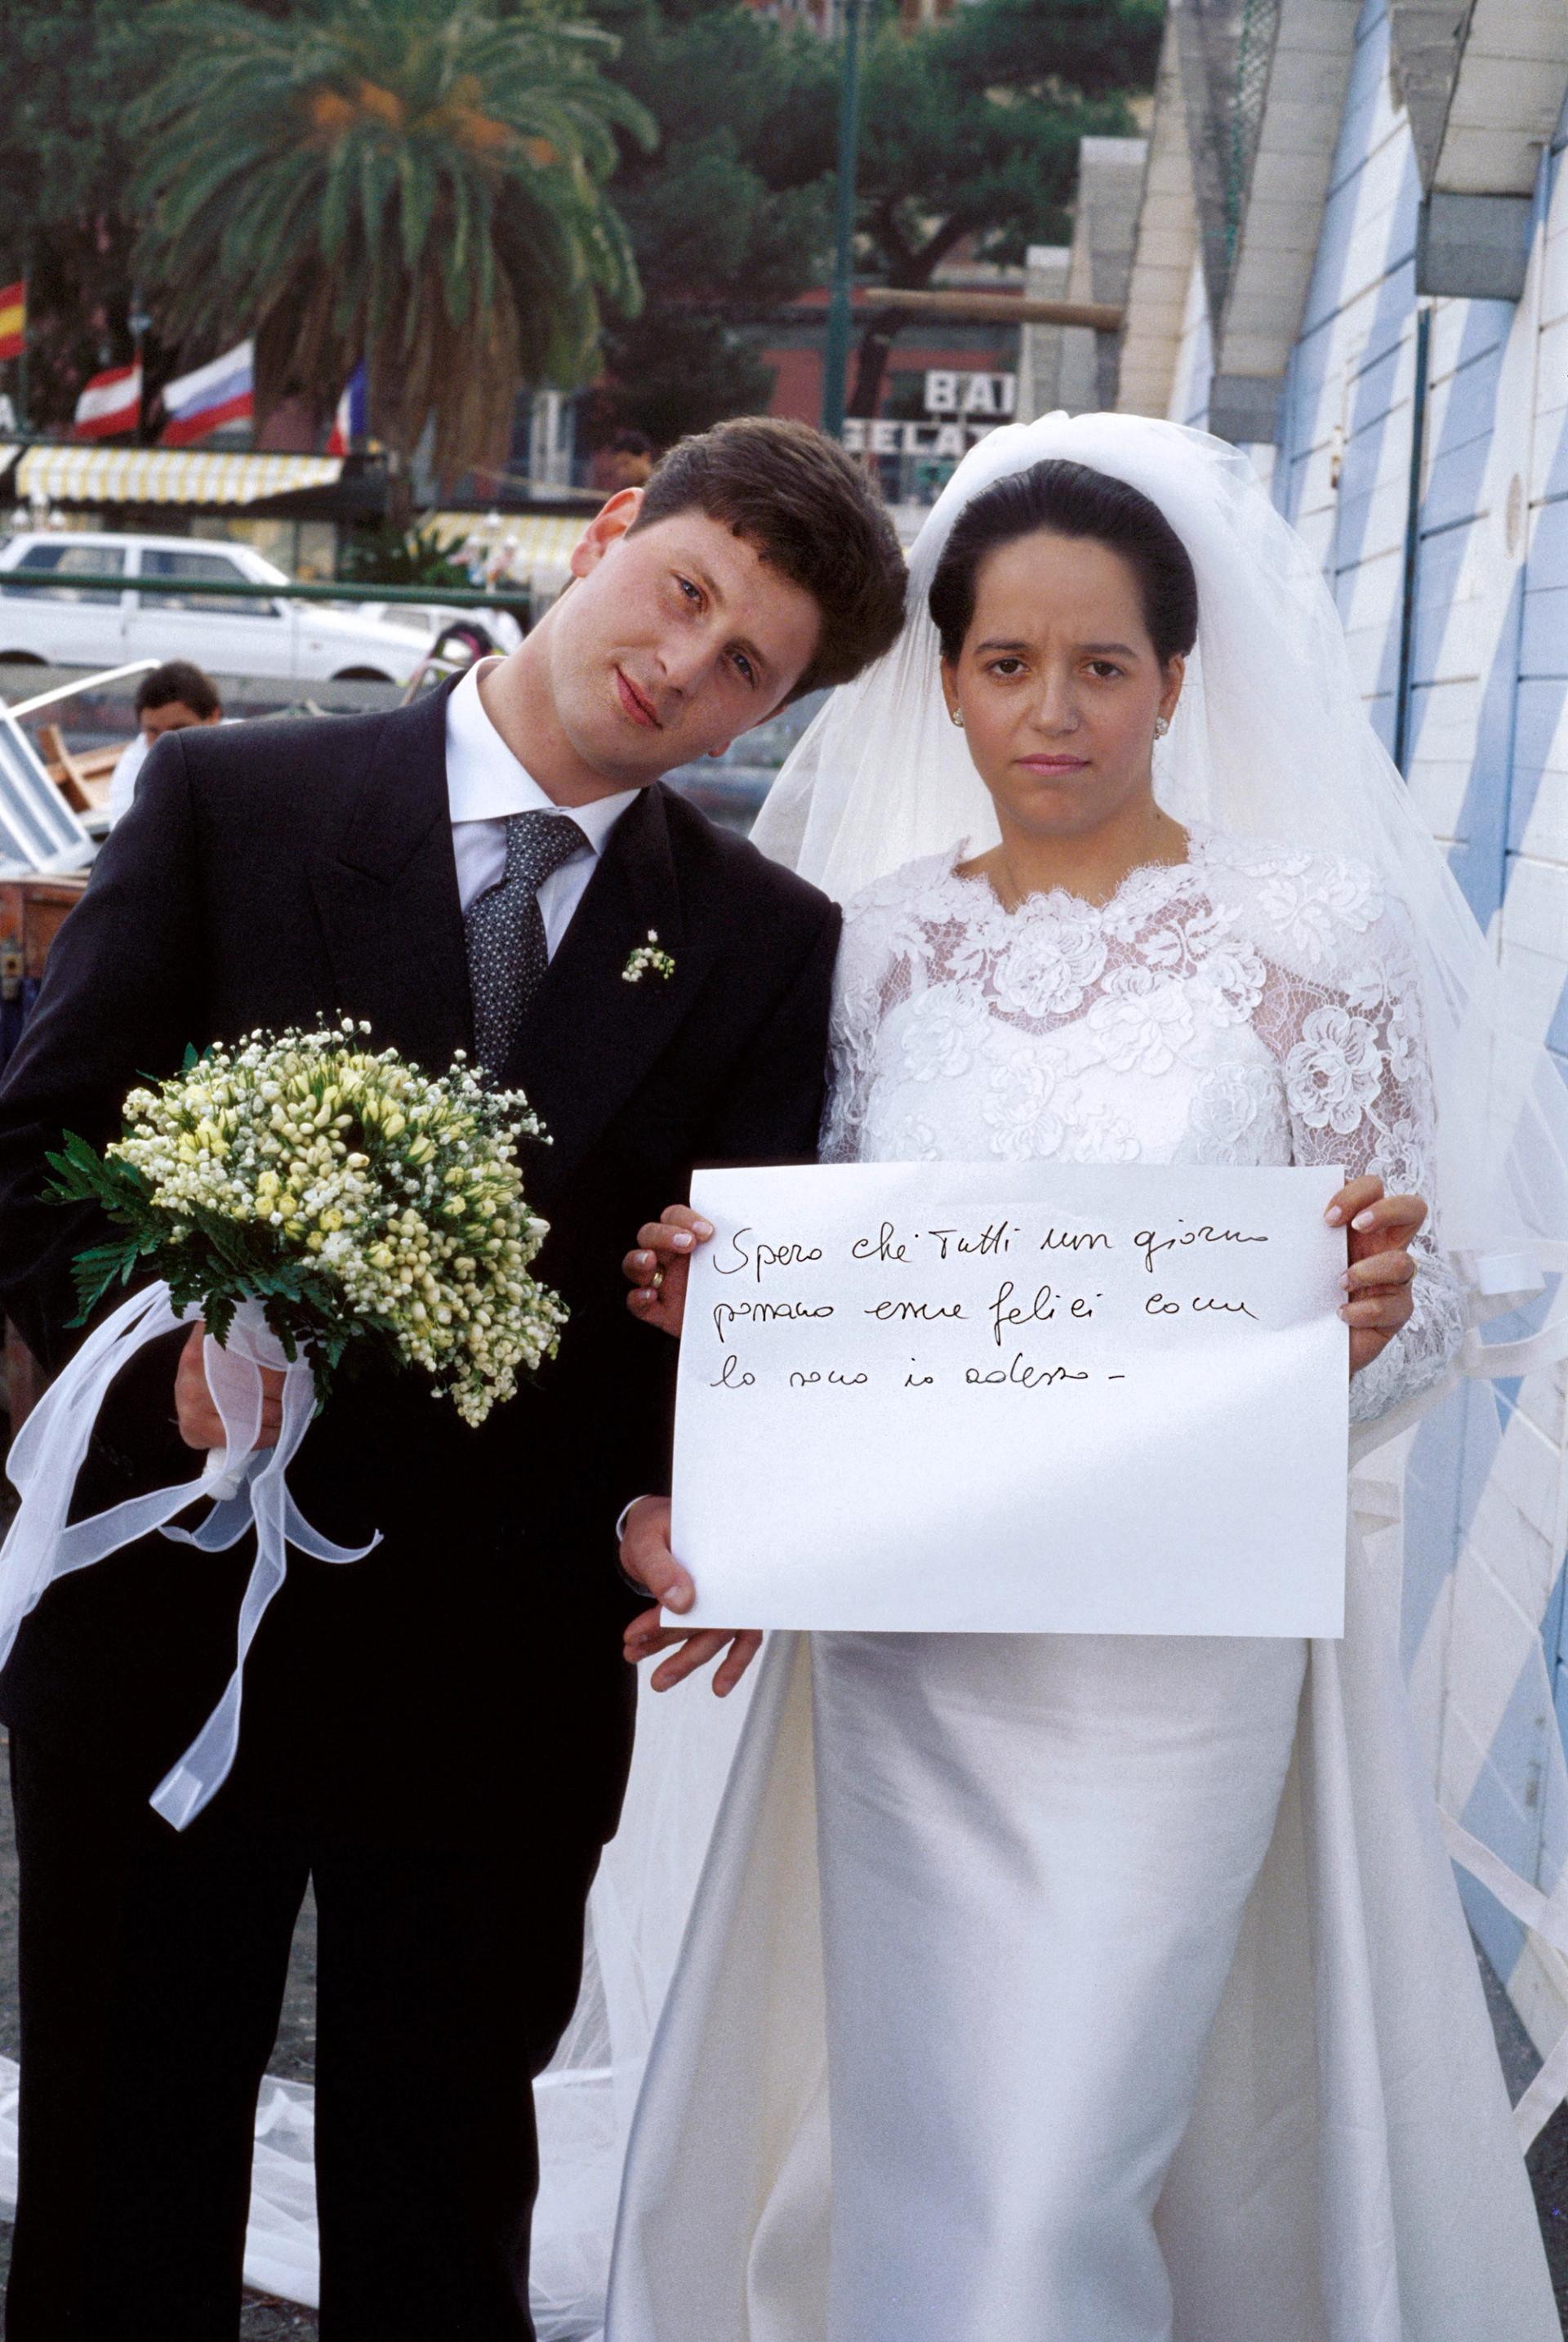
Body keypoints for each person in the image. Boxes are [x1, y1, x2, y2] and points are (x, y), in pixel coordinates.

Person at [608, 419, 1567, 2339]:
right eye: (1007, 661)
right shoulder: (873, 947)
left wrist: (1360, 1323)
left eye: (1103, 664)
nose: (1053, 710)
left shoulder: (1313, 935)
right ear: (948, 681)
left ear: (1176, 682)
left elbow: (1425, 1308)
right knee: (926, 2136)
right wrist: (705, 1302)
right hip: (912, 1656)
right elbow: (829, 1287)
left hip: (1174, 1663)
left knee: (1061, 2166)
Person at [0, 415, 906, 2340]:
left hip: (501, 1666)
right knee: (115, 2182)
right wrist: (164, 1366)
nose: (682, 663)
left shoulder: (766, 942)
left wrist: (695, 1466)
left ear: (777, 708)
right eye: (682, 590)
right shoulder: (231, 798)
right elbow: (40, 1153)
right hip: (173, 1615)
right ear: (607, 529)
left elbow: (726, 1317)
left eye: (747, 663)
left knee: (440, 2206)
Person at [105, 658, 224, 826]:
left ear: (213, 717)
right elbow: (126, 832)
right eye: (153, 731)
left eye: (178, 729)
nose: (165, 744)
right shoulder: (134, 767)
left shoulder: (249, 750)